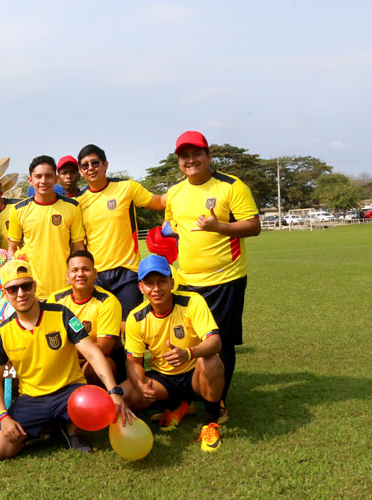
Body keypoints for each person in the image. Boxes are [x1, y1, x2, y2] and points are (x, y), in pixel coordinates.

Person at [0, 259, 133, 460]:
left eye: (26, 286)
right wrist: (4, 417)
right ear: (4, 293)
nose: (21, 293)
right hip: (32, 399)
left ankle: (72, 432)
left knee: (101, 407)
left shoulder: (62, 314)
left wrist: (113, 391)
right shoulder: (2, 333)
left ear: (34, 287)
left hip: (70, 392)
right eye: (13, 289)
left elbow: (92, 353)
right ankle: (50, 425)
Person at [164, 131, 260, 423]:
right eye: (184, 156)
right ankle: (199, 395)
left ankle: (218, 402)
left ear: (208, 156)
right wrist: (163, 233)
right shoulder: (175, 192)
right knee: (191, 340)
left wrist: (220, 227)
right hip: (187, 280)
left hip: (224, 279)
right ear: (179, 161)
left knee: (220, 342)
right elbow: (171, 223)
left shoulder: (231, 186)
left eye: (196, 154)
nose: (190, 160)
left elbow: (253, 226)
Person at [120, 255, 225, 452]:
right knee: (123, 396)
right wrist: (140, 385)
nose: (156, 288)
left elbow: (215, 342)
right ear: (141, 287)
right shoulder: (136, 318)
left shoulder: (192, 302)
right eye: (149, 283)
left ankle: (210, 424)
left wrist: (189, 352)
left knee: (211, 362)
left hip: (195, 375)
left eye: (161, 281)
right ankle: (178, 406)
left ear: (172, 282)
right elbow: (133, 362)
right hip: (163, 379)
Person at [75, 144, 165, 332]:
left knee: (130, 328)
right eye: (85, 165)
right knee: (104, 331)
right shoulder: (78, 202)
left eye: (95, 163)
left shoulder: (126, 187)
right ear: (80, 171)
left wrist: (184, 189)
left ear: (105, 164)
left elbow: (159, 202)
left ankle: (132, 361)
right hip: (97, 274)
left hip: (127, 271)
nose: (90, 168)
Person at [8, 155, 86, 300]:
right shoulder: (18, 210)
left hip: (64, 288)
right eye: (38, 176)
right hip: (31, 289)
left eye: (48, 176)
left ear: (56, 179)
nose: (43, 181)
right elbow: (12, 248)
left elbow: (79, 248)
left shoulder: (72, 207)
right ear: (30, 180)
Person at [48, 250, 123, 385]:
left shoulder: (108, 302)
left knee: (104, 364)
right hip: (66, 362)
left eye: (86, 269)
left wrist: (62, 351)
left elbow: (104, 348)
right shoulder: (55, 299)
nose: (80, 274)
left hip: (94, 362)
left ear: (95, 273)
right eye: (75, 270)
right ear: (67, 275)